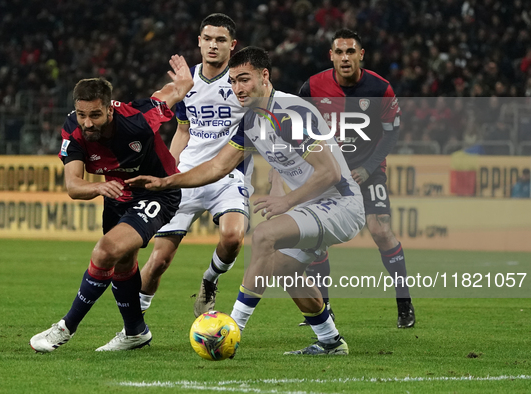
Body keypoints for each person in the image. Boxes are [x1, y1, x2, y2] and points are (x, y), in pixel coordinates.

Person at [127, 47, 366, 355]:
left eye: (244, 79)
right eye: (233, 82)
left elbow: (330, 172)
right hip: (312, 207)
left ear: (264, 76)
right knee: (283, 269)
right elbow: (217, 167)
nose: (238, 88)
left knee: (265, 235)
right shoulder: (252, 122)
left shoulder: (290, 112)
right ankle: (331, 341)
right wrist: (166, 181)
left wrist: (286, 201)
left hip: (342, 204)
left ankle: (232, 329)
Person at [29, 54, 194, 353]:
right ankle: (135, 332)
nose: (87, 123)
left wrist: (184, 82)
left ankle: (65, 328)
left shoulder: (137, 119)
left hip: (157, 193)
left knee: (105, 250)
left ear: (109, 109)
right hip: (116, 194)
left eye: (95, 115)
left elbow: (168, 95)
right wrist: (99, 186)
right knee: (123, 262)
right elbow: (73, 186)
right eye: (81, 114)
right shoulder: (74, 130)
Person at [296, 29, 415, 328]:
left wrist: (369, 167)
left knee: (380, 230)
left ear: (361, 55)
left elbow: (392, 133)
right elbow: (292, 120)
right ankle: (325, 308)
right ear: (331, 56)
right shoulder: (312, 87)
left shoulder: (380, 89)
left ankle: (404, 301)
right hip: (328, 173)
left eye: (351, 52)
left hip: (368, 170)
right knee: (316, 239)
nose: (345, 58)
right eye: (339, 52)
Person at [137, 14, 251, 318]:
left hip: (228, 174)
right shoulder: (186, 83)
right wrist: (168, 171)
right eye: (208, 39)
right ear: (199, 41)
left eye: (221, 40)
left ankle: (209, 281)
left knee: (232, 237)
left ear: (232, 45)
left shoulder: (243, 82)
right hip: (186, 175)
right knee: (159, 259)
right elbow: (183, 131)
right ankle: (133, 326)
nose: (213, 45)